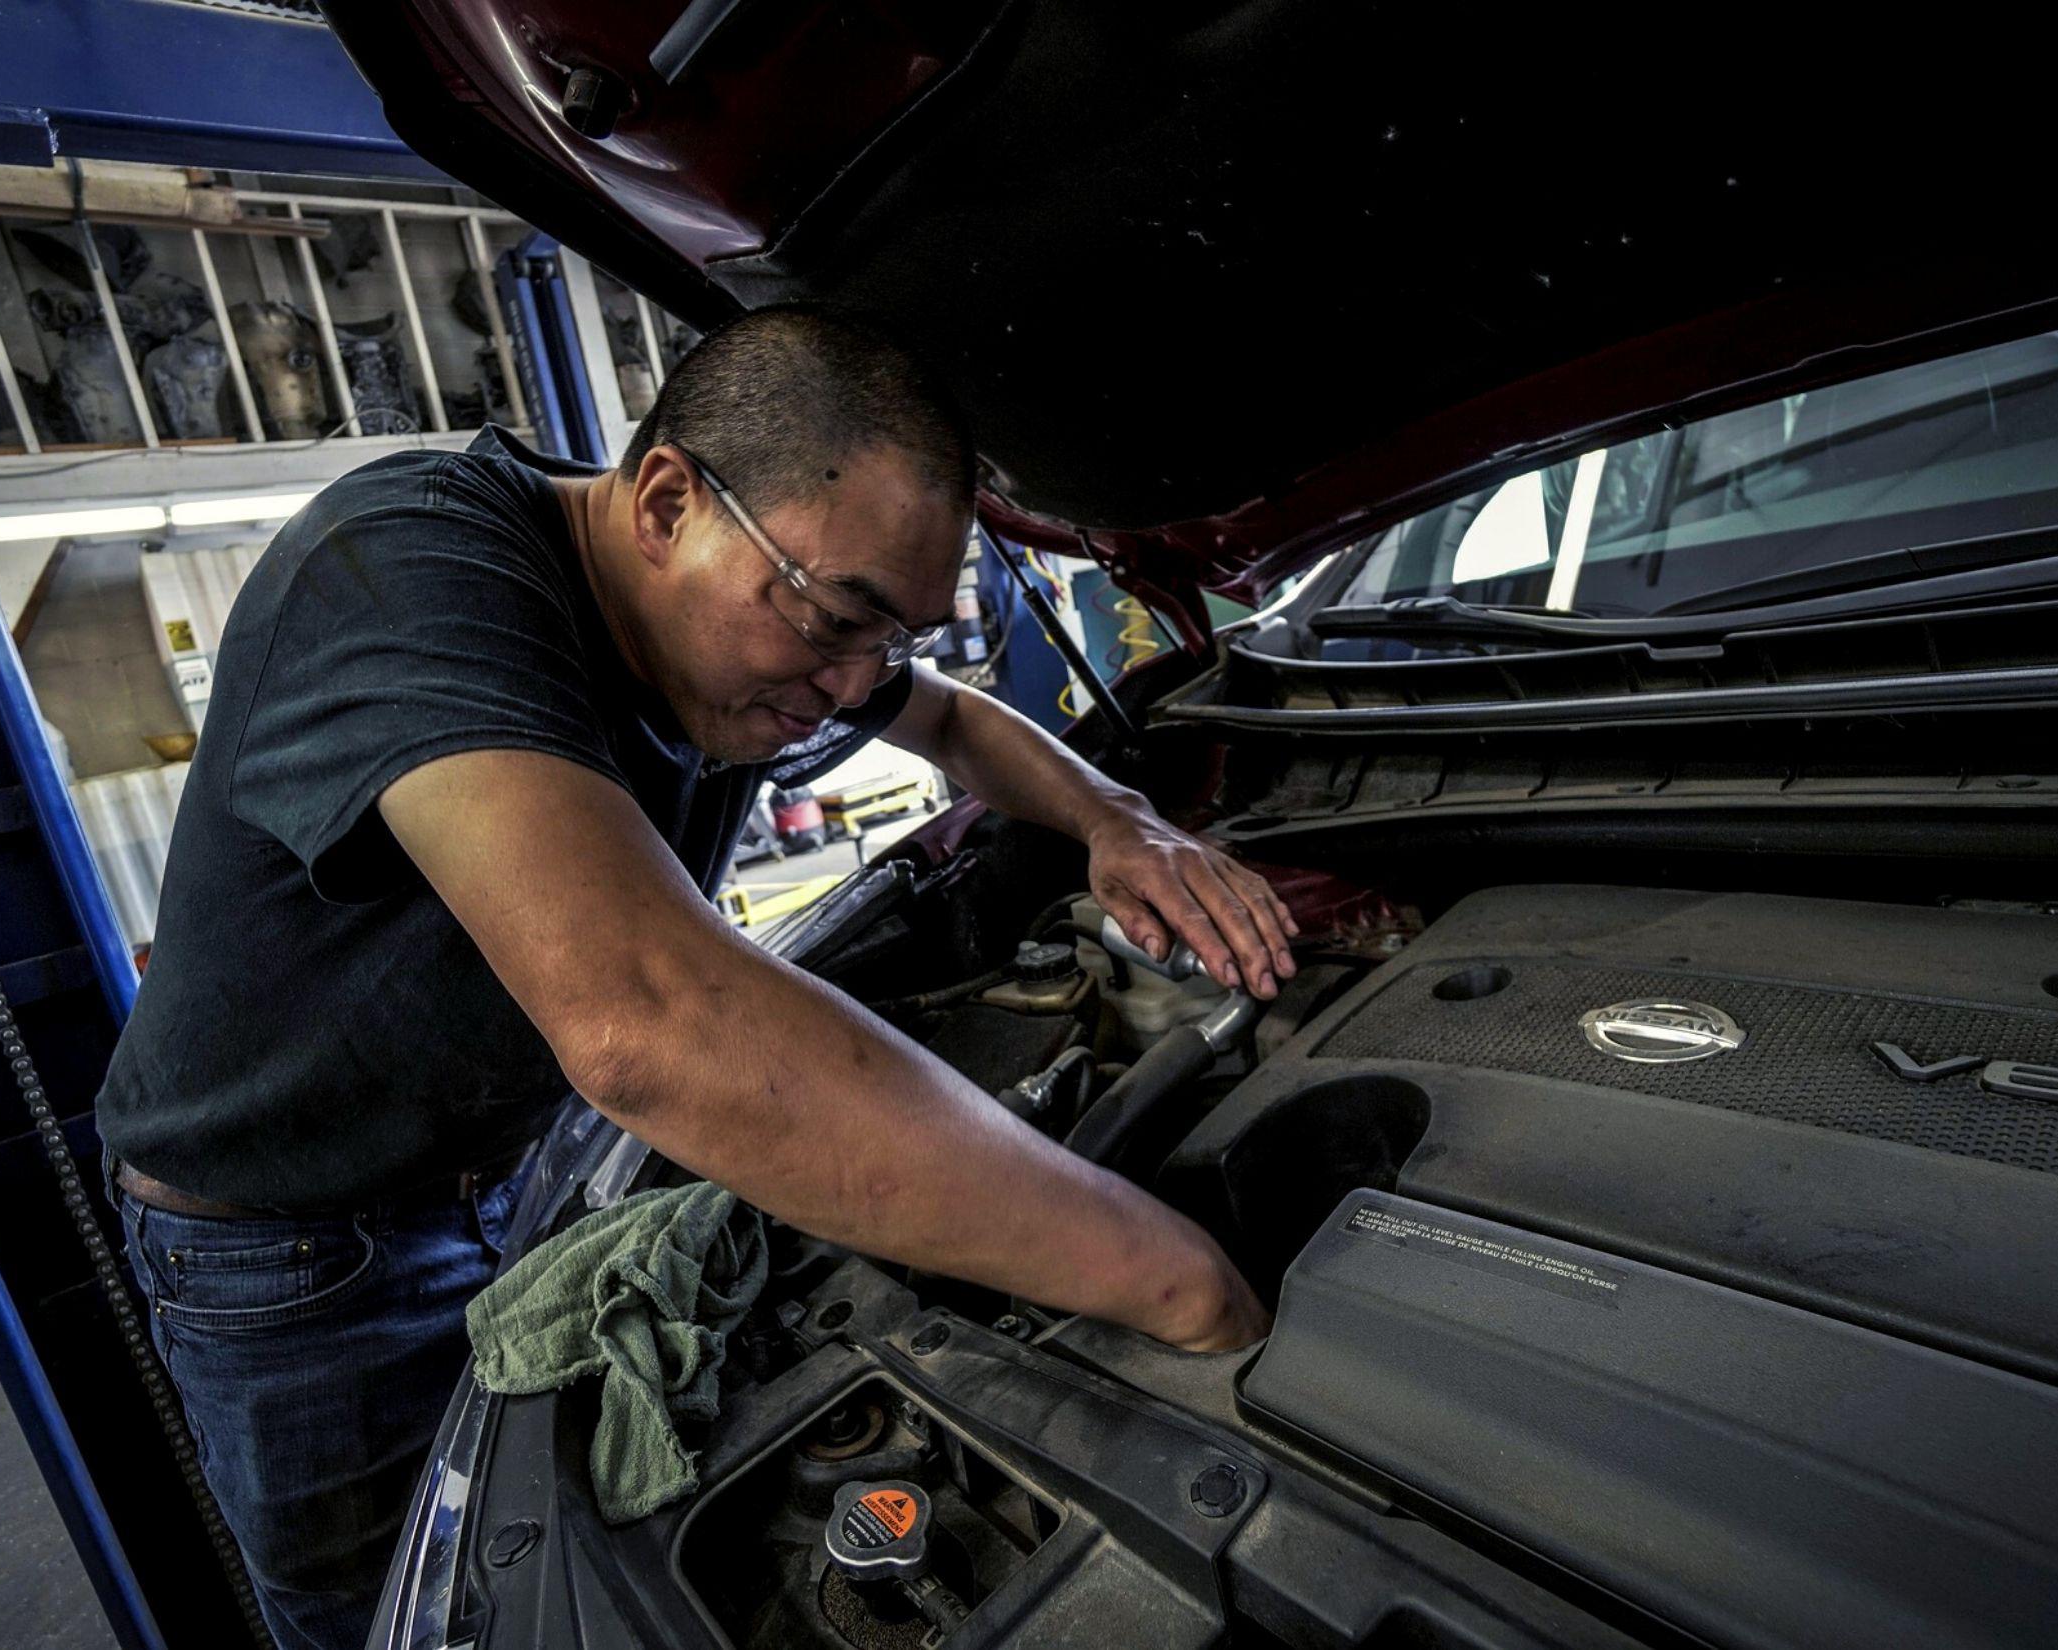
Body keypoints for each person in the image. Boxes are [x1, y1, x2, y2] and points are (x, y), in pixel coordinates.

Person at [97, 304, 1289, 1649]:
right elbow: (647, 1025)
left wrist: (1111, 817)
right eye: (837, 618)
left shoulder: (736, 605)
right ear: (667, 500)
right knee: (404, 1620)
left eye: (889, 637)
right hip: (300, 1252)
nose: (850, 683)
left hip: (519, 1169)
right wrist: (1170, 1277)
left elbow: (948, 715)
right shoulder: (407, 573)